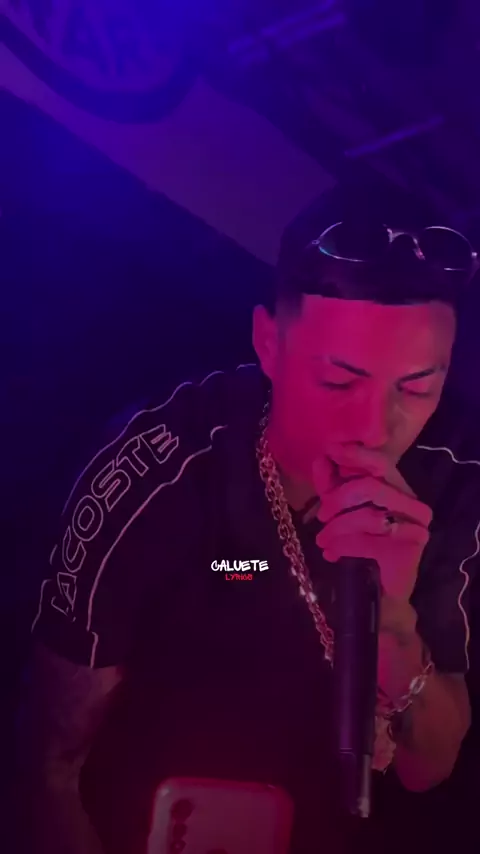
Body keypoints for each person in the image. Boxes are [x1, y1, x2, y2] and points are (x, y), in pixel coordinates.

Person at [16, 183, 480, 854]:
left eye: (416, 387)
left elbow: (427, 767)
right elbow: (51, 761)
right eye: (339, 380)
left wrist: (394, 619)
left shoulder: (456, 479)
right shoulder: (163, 469)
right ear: (269, 343)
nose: (375, 427)